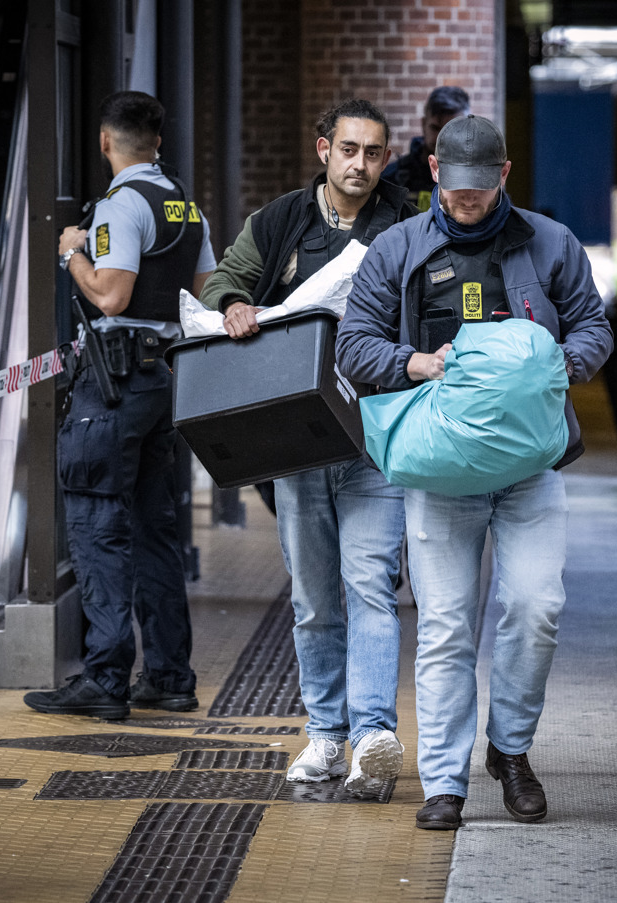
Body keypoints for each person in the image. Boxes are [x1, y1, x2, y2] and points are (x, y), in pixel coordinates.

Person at [335, 115, 614, 830]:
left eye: (481, 190)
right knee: (446, 626)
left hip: (530, 466)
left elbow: (593, 326)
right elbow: (354, 344)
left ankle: (511, 749)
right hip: (438, 472)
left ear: (505, 175)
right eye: (456, 189)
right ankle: (445, 782)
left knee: (534, 606)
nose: (467, 201)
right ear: (433, 172)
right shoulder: (396, 249)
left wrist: (561, 362)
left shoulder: (549, 243)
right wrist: (416, 363)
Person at [199, 99, 415, 797]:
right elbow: (223, 277)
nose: (360, 164)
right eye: (348, 149)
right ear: (323, 148)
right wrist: (233, 303)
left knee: (370, 589)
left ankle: (372, 739)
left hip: (375, 440)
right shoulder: (281, 220)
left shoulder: (406, 223)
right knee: (316, 602)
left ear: (386, 158)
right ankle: (326, 736)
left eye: (374, 152)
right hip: (296, 442)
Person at [23, 92, 214, 719]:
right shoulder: (187, 207)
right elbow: (202, 294)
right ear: (157, 141)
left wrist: (71, 249)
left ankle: (104, 678)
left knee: (97, 523)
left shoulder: (120, 206)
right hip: (162, 380)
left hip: (113, 386)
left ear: (106, 142)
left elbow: (109, 295)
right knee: (153, 528)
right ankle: (168, 674)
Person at [382, 85, 471, 213]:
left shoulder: (480, 183)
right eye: (435, 128)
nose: (442, 138)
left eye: (451, 129)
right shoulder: (391, 179)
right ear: (424, 124)